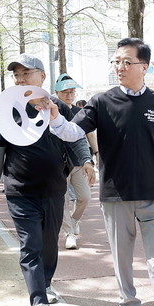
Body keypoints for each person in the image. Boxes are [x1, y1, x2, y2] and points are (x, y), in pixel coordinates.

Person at [48, 38, 154, 306]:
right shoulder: (101, 101)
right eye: (116, 62)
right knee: (123, 258)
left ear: (144, 67)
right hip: (115, 194)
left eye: (127, 62)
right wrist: (55, 116)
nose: (120, 67)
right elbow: (71, 133)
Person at [0, 54, 93, 306]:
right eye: (16, 75)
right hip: (20, 190)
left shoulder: (58, 106)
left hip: (54, 188)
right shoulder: (7, 108)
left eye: (26, 74)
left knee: (48, 243)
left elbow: (75, 136)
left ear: (42, 77)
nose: (20, 80)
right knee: (30, 245)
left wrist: (86, 160)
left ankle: (45, 283)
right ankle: (38, 302)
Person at [54, 73, 95, 250]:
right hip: (58, 164)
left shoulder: (80, 113)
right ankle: (69, 233)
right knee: (63, 201)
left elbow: (88, 135)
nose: (69, 95)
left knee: (85, 197)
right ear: (57, 92)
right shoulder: (51, 111)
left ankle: (74, 219)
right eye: (65, 92)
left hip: (78, 162)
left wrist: (94, 155)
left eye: (72, 92)